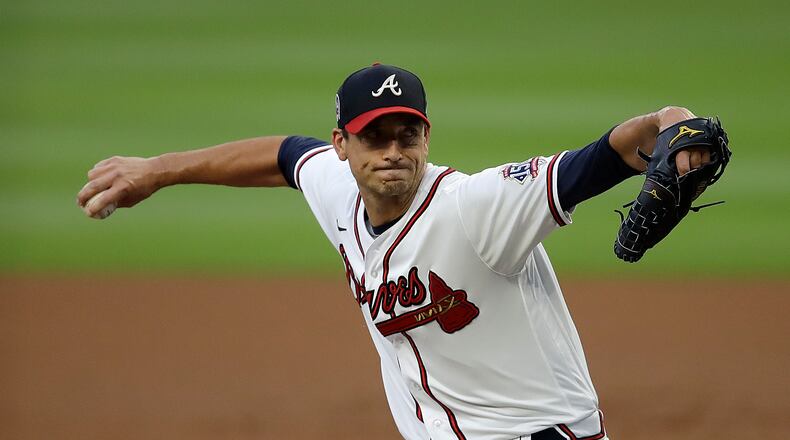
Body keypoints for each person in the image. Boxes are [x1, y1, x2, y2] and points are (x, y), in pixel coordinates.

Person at [77, 64, 712, 440]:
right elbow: (284, 156)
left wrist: (671, 124)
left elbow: (611, 152)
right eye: (373, 137)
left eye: (406, 134)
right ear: (344, 146)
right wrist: (158, 170)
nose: (392, 151)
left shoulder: (479, 206)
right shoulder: (337, 190)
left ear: (426, 136)